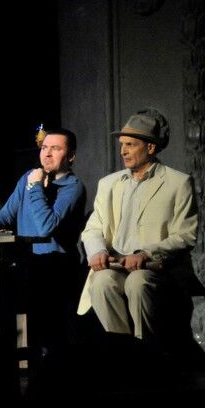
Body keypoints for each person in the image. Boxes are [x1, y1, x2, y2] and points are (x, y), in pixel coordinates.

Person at [77, 108, 200, 360]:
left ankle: (148, 353)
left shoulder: (178, 183)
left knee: (138, 282)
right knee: (101, 283)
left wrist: (145, 253)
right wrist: (98, 251)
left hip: (157, 267)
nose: (123, 151)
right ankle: (123, 353)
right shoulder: (108, 183)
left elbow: (185, 235)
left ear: (150, 147)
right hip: (116, 264)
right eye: (122, 145)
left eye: (130, 145)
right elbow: (94, 227)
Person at [0, 127, 86, 348]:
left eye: (55, 149)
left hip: (56, 266)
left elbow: (47, 227)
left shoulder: (72, 187)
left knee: (50, 329)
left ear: (71, 156)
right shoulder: (28, 178)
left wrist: (35, 187)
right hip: (28, 263)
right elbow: (8, 213)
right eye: (44, 148)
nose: (47, 154)